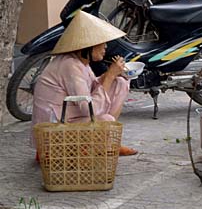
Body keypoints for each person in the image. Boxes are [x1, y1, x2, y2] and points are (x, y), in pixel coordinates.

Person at [32, 10, 138, 156]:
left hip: (69, 117)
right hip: (54, 131)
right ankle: (93, 146)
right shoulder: (70, 65)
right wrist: (109, 76)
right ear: (87, 46)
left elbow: (91, 87)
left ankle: (106, 143)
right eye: (102, 43)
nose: (106, 47)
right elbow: (89, 109)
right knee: (105, 120)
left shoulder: (81, 63)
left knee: (120, 82)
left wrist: (111, 75)